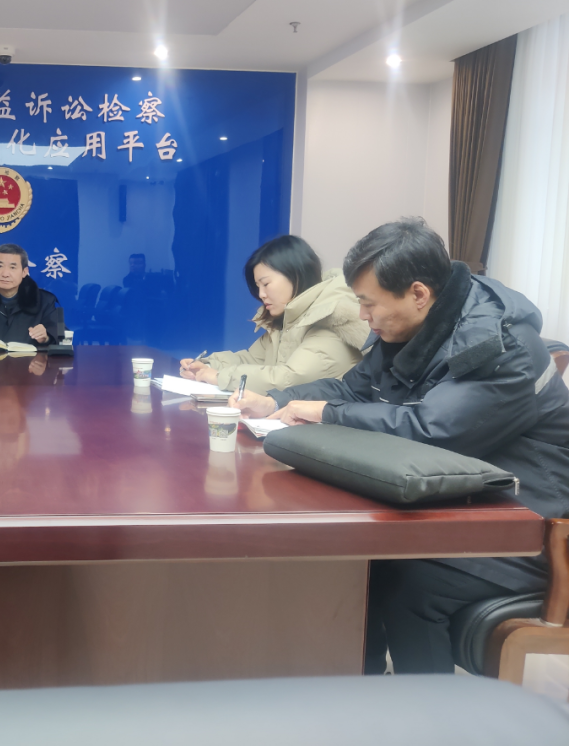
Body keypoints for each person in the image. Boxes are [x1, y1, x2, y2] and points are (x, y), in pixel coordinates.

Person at [232, 218, 569, 675]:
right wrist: (276, 401)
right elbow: (352, 390)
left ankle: (422, 710)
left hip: (527, 522)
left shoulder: (499, 347)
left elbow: (433, 430)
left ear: (418, 293)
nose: (362, 316)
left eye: (368, 303)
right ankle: (360, 686)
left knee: (401, 579)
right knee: (348, 564)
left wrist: (326, 413)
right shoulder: (412, 328)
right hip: (459, 502)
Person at [179, 235, 368, 393]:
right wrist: (207, 365)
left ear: (295, 275)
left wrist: (220, 377)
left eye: (266, 284)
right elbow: (251, 360)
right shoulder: (288, 318)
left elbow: (289, 379)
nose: (261, 294)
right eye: (258, 286)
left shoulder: (332, 317)